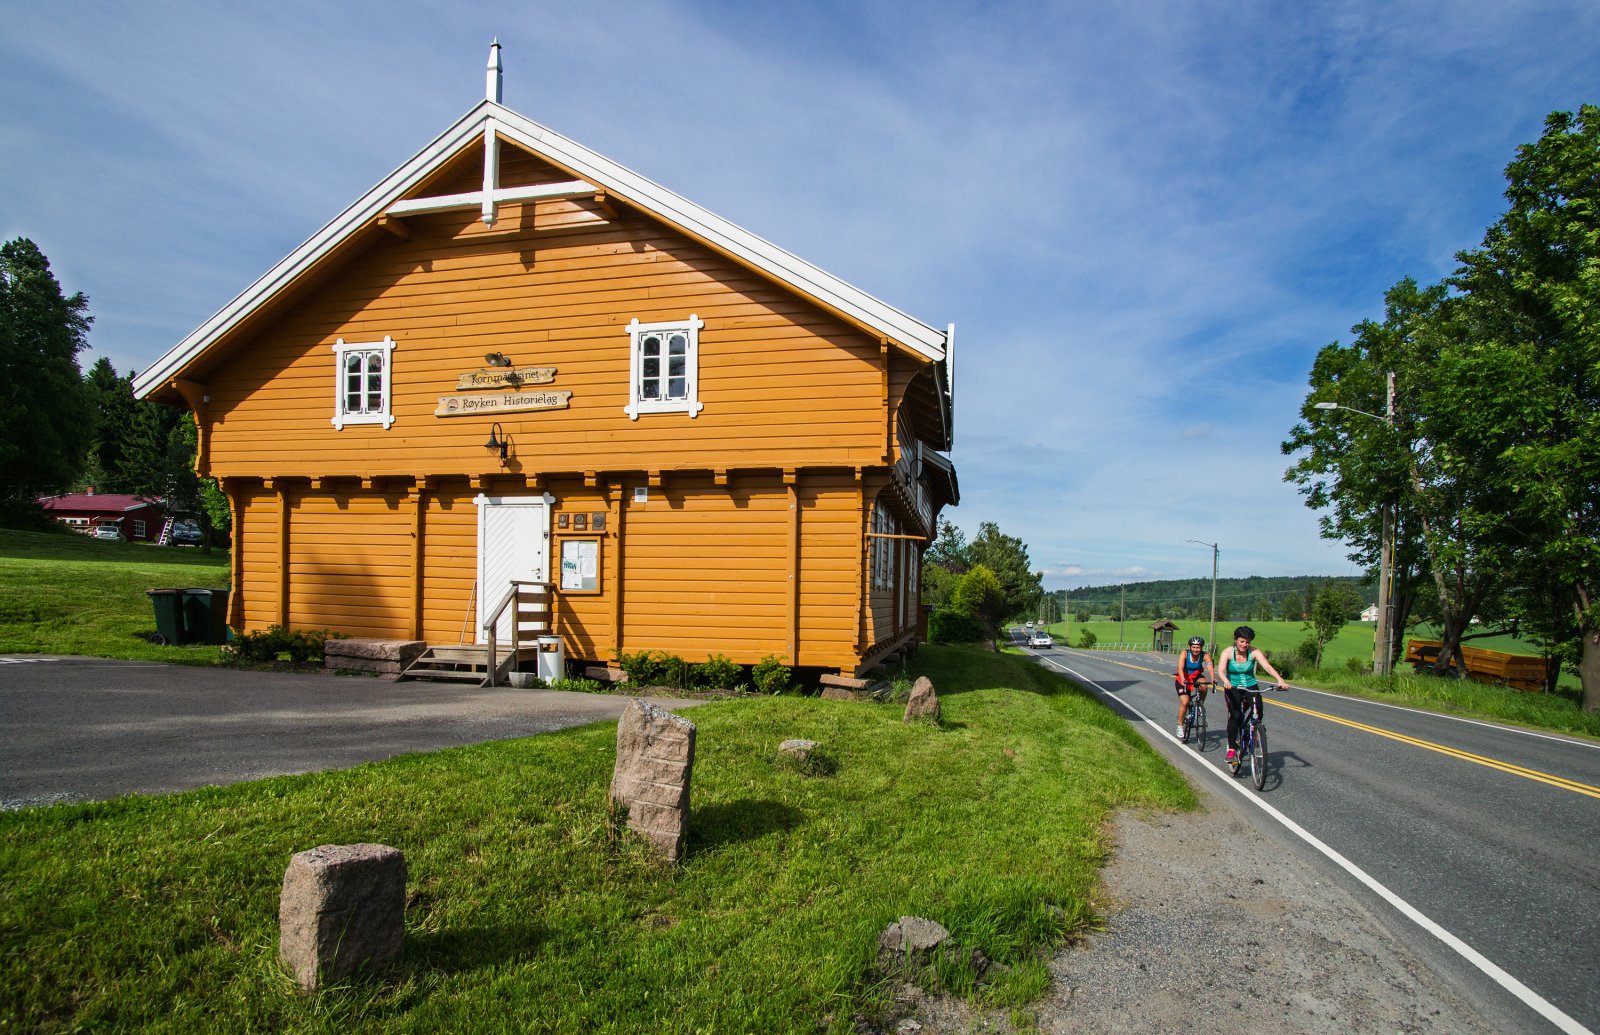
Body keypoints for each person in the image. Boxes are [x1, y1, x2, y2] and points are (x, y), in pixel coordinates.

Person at [1216, 625, 1287, 764]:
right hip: (1233, 686)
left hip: (1250, 685)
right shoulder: (1228, 652)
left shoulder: (1254, 652)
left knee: (1258, 711)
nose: (1245, 644)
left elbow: (1267, 666)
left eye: (1247, 642)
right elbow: (1221, 670)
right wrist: (1225, 681)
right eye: (1242, 641)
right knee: (1235, 715)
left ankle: (1252, 730)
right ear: (1236, 640)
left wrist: (1280, 680)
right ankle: (1231, 749)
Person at [1172, 636, 1214, 738]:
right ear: (1190, 647)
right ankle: (1180, 726)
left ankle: (1200, 706)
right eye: (1194, 647)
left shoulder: (1205, 655)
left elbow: (1210, 667)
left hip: (1196, 676)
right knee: (1185, 702)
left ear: (1201, 648)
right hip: (1183, 677)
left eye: (1198, 647)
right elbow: (1180, 668)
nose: (1196, 649)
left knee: (1204, 685)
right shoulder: (1185, 653)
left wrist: (1213, 678)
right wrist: (1183, 680)